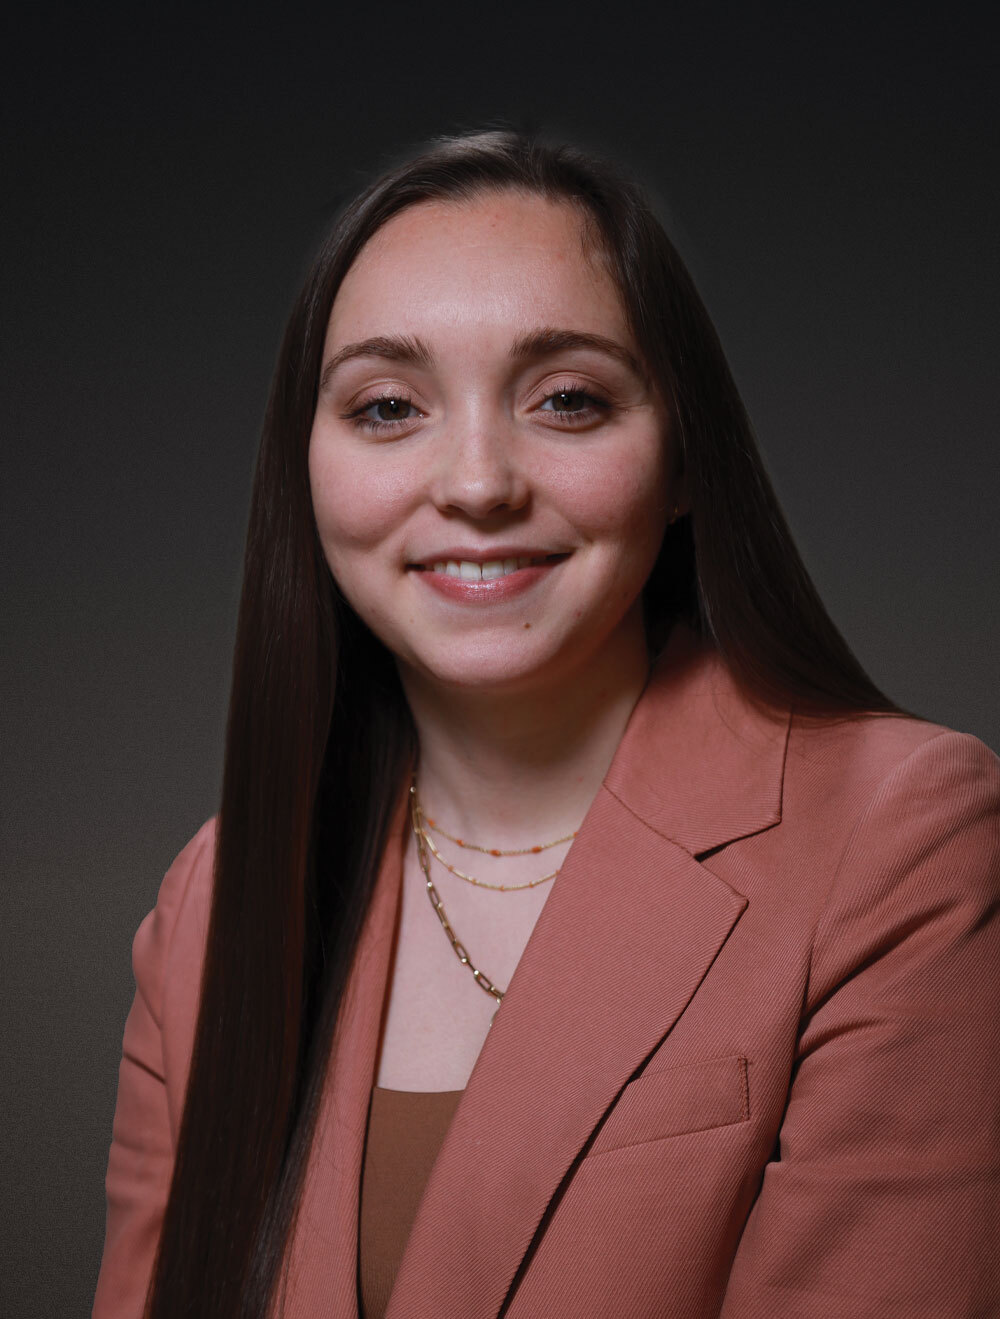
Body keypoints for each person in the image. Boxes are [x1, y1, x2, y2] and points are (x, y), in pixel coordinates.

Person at [93, 130, 1000, 1319]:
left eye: (567, 399)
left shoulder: (900, 840)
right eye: (385, 406)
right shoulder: (208, 909)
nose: (476, 481)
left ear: (683, 458)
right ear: (303, 469)